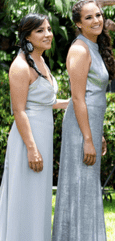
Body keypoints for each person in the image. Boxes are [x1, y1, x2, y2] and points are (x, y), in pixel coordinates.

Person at [53, 0, 115, 241]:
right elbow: (78, 98)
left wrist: (96, 134)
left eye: (98, 15)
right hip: (80, 129)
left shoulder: (94, 47)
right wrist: (88, 138)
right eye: (88, 17)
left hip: (89, 126)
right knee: (80, 186)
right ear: (78, 24)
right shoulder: (79, 49)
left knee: (88, 188)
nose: (96, 20)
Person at [0, 14, 68, 240]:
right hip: (27, 141)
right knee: (24, 196)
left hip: (43, 138)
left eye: (48, 29)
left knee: (39, 197)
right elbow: (19, 110)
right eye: (40, 31)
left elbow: (44, 101)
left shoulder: (40, 60)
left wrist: (74, 102)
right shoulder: (20, 66)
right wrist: (32, 148)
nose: (48, 34)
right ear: (26, 35)